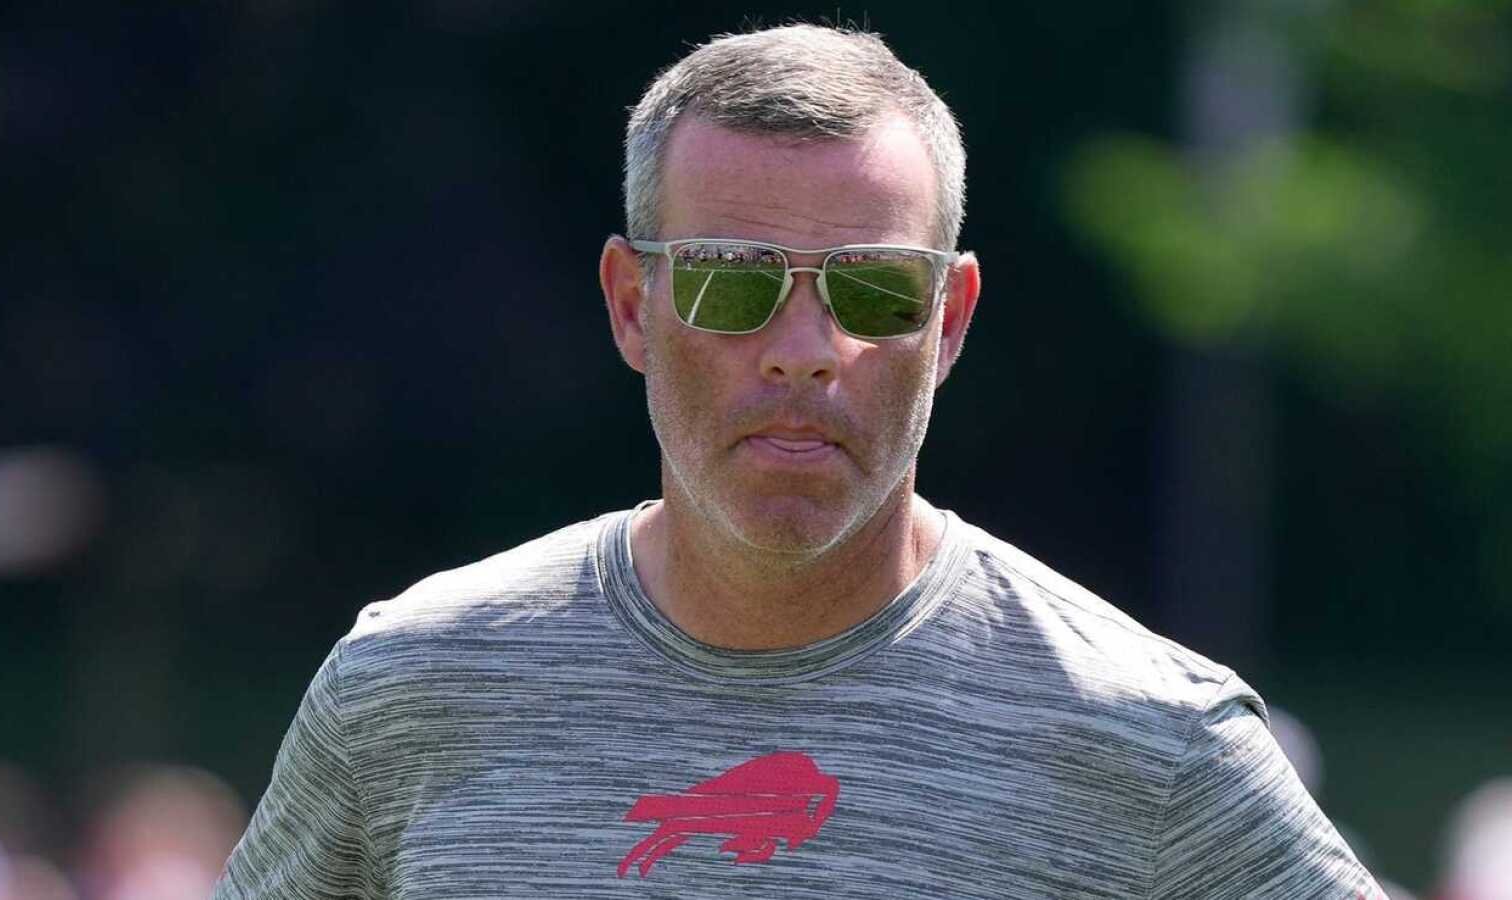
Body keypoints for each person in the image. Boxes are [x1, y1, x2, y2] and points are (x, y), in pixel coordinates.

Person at [214, 24, 1383, 899]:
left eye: (874, 289)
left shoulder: (1153, 744)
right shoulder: (407, 692)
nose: (805, 349)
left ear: (949, 322)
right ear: (632, 304)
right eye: (734, 282)